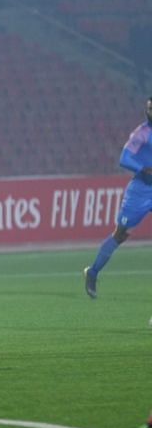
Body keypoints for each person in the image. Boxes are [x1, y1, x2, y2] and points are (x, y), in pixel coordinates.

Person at [84, 97, 152, 299]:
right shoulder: (141, 134)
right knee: (120, 233)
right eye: (149, 108)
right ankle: (92, 272)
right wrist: (143, 169)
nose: (151, 111)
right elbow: (124, 158)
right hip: (140, 189)